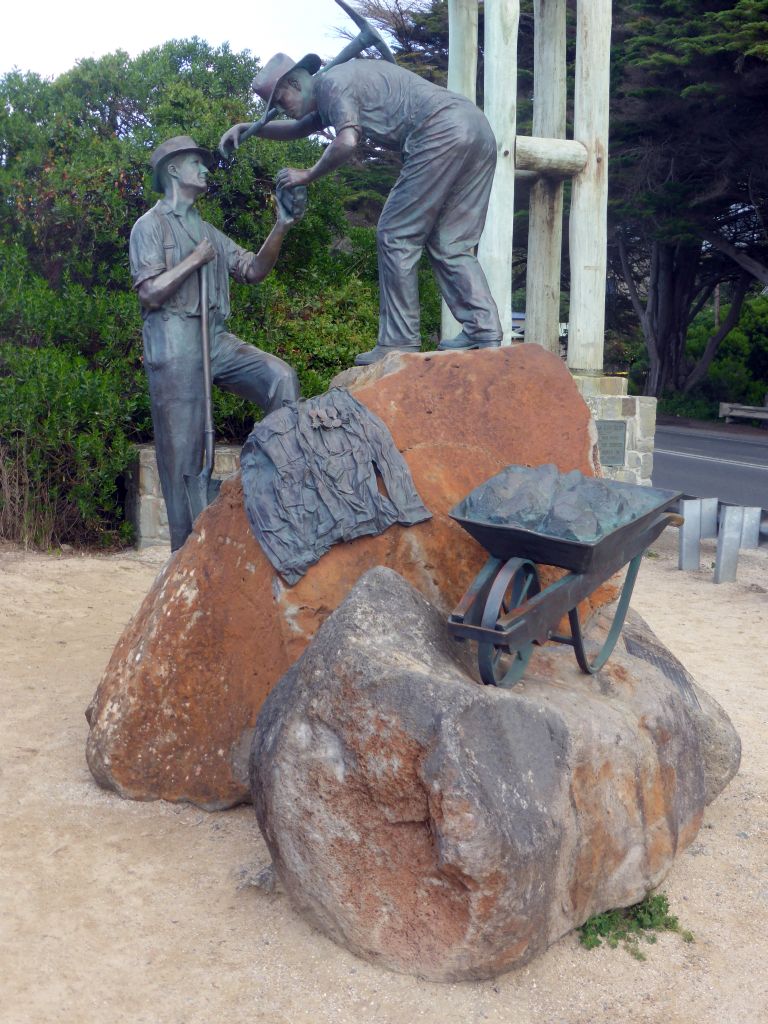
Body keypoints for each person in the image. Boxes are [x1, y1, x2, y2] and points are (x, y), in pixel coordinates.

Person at [220, 55, 503, 365]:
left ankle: (399, 341)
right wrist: (249, 128)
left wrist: (307, 174)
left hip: (440, 132)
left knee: (395, 234)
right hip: (476, 128)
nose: (279, 108)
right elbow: (300, 127)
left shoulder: (332, 85)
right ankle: (483, 328)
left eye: (279, 99)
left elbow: (347, 140)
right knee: (451, 242)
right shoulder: (332, 88)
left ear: (295, 83)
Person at [129, 135, 301, 551]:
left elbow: (254, 269)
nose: (206, 170)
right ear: (173, 170)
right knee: (184, 459)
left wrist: (281, 225)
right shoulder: (148, 227)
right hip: (173, 342)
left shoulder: (209, 232)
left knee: (281, 379)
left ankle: (270, 488)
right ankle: (185, 554)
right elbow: (149, 293)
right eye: (197, 163)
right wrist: (194, 261)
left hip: (215, 339)